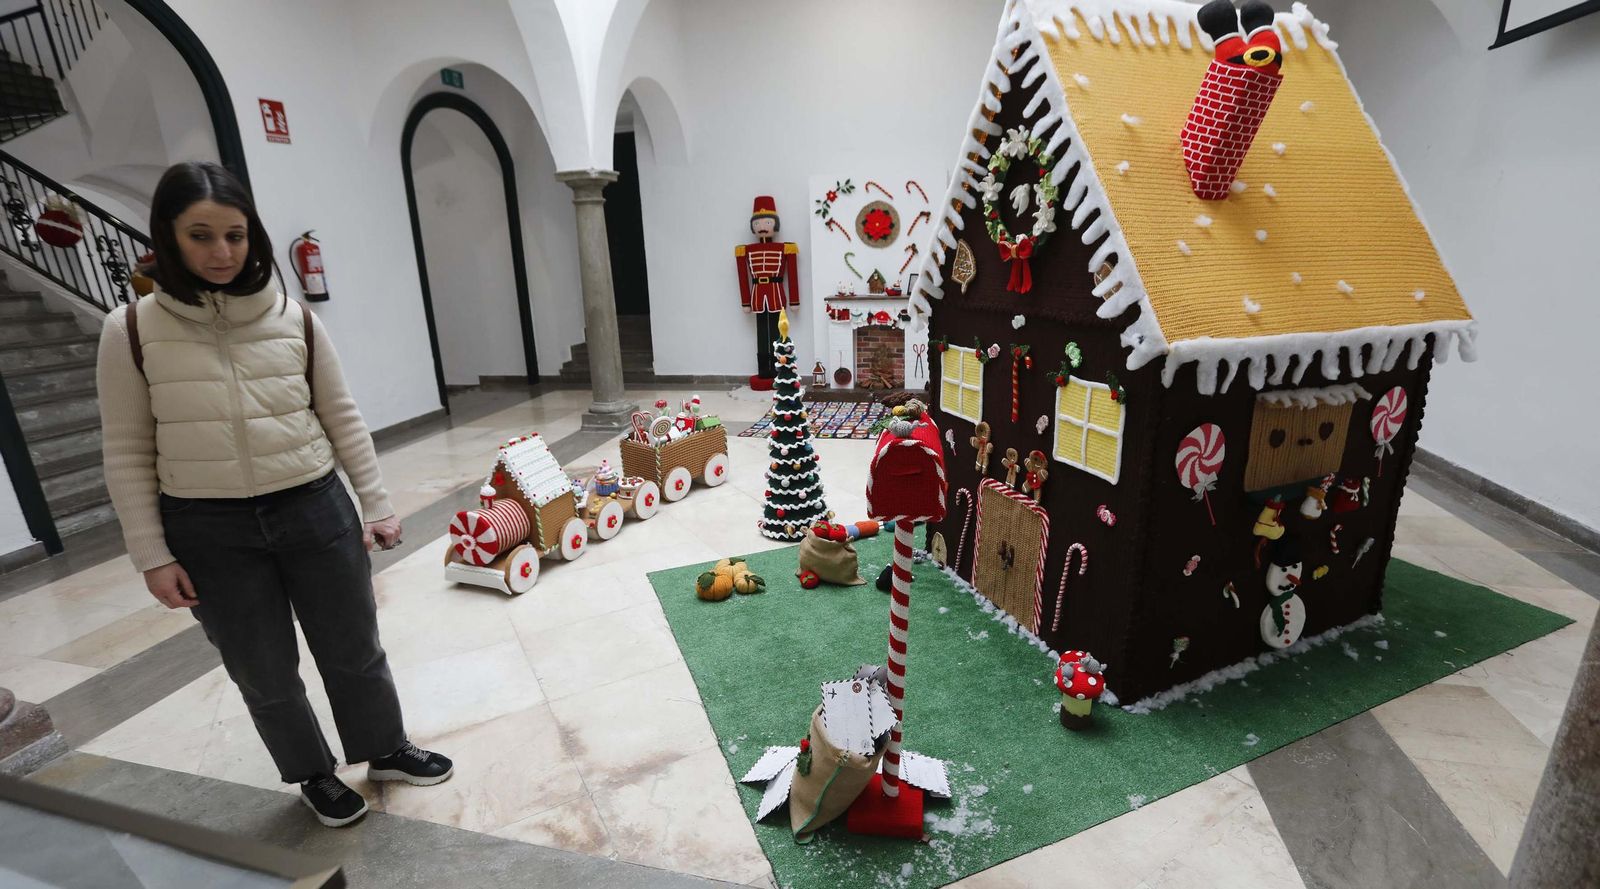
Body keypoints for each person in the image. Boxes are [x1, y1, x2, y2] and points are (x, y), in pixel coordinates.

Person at [96, 161, 451, 828]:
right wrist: (150, 552)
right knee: (262, 666)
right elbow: (125, 450)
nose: (222, 252)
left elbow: (341, 414)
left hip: (313, 505)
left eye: (235, 234)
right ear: (168, 237)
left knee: (354, 645)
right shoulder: (131, 332)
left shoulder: (293, 317)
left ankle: (384, 747)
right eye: (201, 235)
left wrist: (375, 502)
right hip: (207, 527)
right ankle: (314, 772)